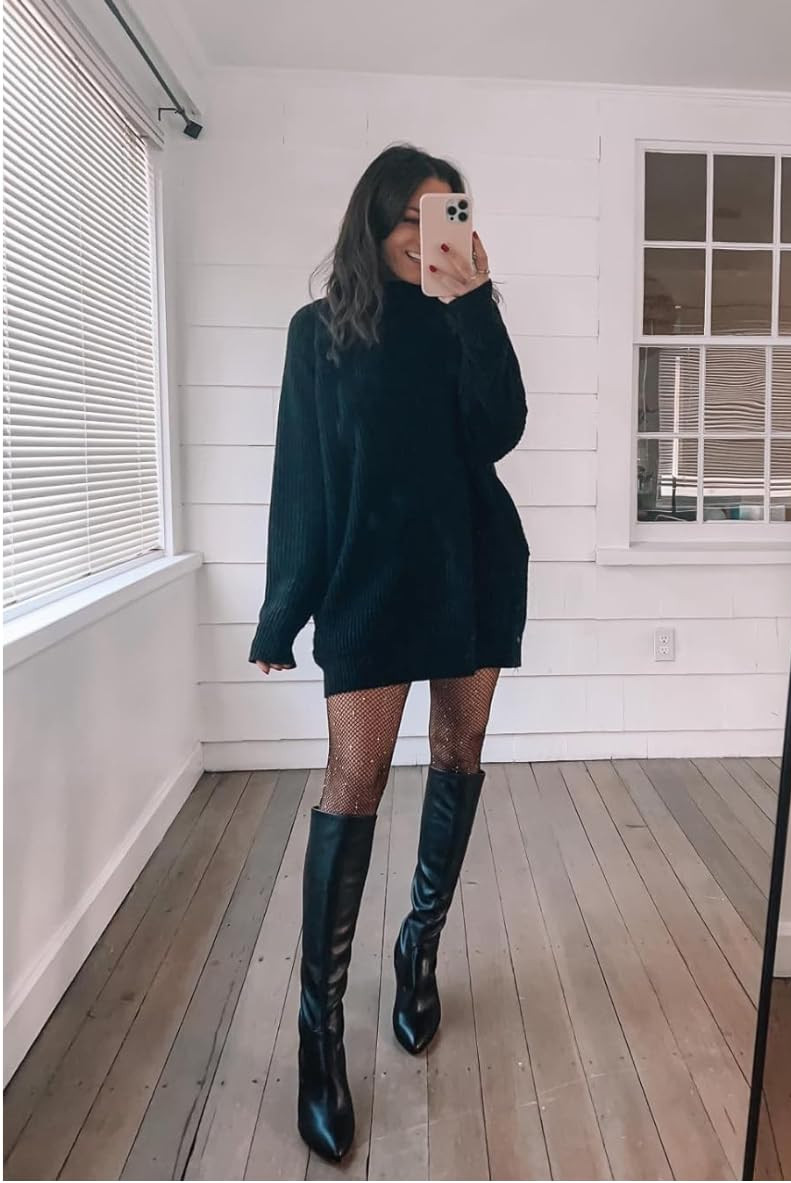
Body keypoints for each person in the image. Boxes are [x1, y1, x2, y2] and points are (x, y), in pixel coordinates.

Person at [247, 143, 530, 1163]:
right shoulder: (319, 332)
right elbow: (305, 478)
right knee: (353, 782)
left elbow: (499, 430)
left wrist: (477, 304)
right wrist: (283, 610)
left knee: (458, 756)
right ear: (372, 223)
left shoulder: (464, 317)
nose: (427, 234)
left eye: (446, 214)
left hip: (474, 567)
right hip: (372, 581)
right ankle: (318, 1034)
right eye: (411, 215)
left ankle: (419, 948)